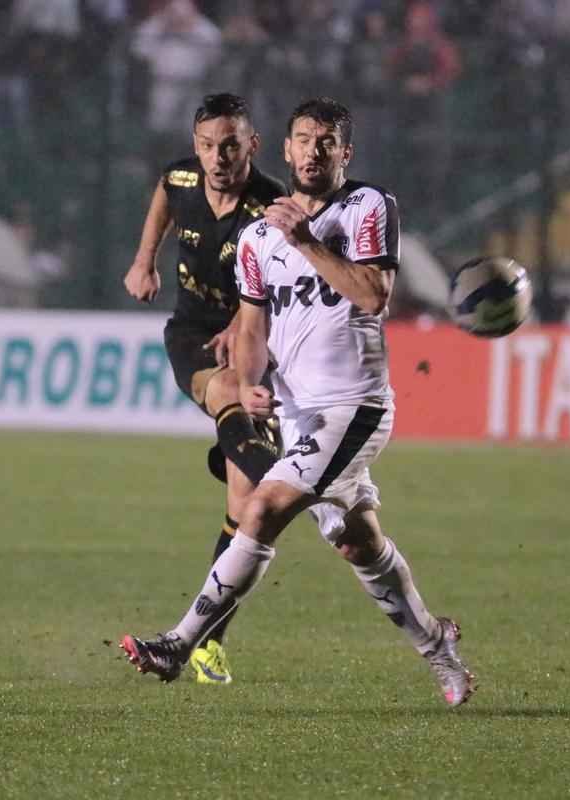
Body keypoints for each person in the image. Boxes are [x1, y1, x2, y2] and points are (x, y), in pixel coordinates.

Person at [121, 97, 476, 707]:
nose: (314, 151)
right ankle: (436, 643)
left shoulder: (369, 207)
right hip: (294, 412)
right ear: (286, 149)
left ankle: (179, 644)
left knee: (260, 508)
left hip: (354, 405)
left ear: (345, 153)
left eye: (326, 142)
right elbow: (252, 327)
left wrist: (306, 240)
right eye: (305, 140)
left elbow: (373, 294)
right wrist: (248, 382)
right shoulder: (259, 236)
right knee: (358, 542)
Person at [122, 92, 287, 684]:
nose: (218, 157)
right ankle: (275, 467)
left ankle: (206, 642)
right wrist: (145, 259)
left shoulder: (272, 205)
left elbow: (279, 284)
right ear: (196, 146)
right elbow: (165, 194)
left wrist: (242, 324)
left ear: (253, 145)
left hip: (253, 338)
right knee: (228, 393)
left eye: (231, 146)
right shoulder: (183, 177)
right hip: (193, 336)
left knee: (248, 508)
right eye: (208, 146)